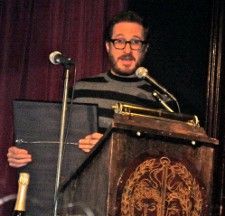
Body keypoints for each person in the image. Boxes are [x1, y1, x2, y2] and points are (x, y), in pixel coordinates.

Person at [7, 10, 172, 167]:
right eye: (120, 41)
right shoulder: (80, 90)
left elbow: (164, 158)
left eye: (135, 42)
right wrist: (24, 153)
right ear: (108, 46)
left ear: (145, 49)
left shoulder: (160, 99)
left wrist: (110, 147)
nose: (127, 50)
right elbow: (56, 142)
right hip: (80, 192)